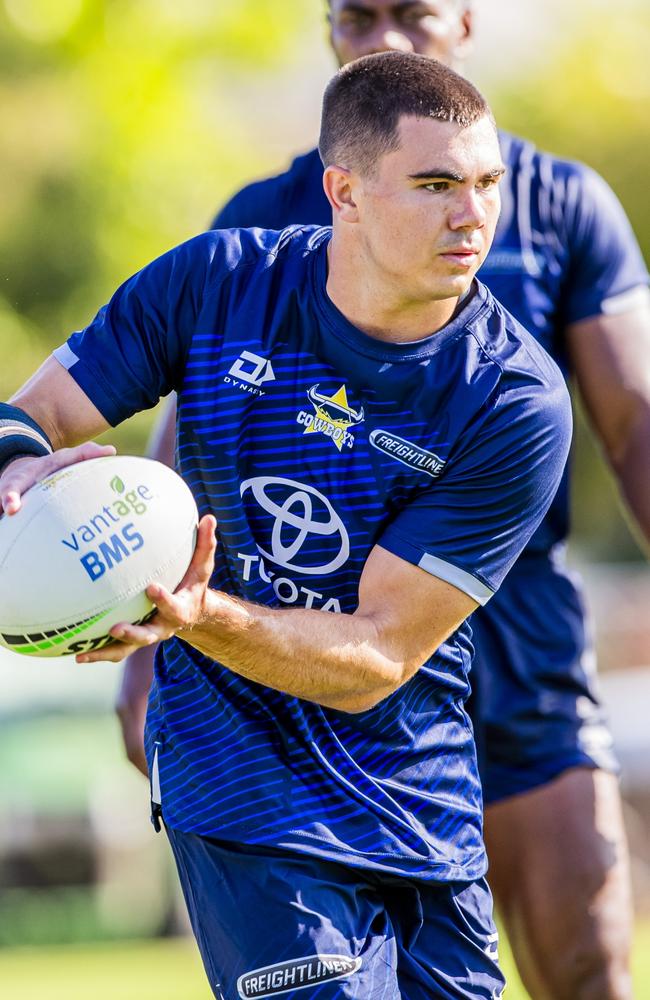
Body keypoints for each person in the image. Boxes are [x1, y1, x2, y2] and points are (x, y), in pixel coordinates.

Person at [0, 53, 571, 999]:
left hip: (421, 806)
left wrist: (195, 614)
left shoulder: (512, 399)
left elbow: (379, 656)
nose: (472, 217)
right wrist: (17, 471)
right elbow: (29, 417)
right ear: (343, 192)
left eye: (485, 185)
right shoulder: (215, 285)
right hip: (242, 797)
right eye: (434, 185)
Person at [116, 3, 650, 999]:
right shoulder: (260, 216)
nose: (384, 40)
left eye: (411, 13)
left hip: (511, 638)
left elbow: (634, 426)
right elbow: (186, 407)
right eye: (356, 15)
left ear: (465, 21)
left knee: (584, 963)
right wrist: (157, 627)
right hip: (307, 639)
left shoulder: (562, 205)